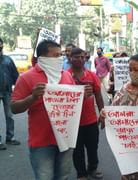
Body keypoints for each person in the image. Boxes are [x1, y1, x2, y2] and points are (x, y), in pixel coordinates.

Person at [11, 40, 92, 180]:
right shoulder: (26, 77)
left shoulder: (66, 75)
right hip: (42, 141)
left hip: (66, 138)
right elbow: (14, 108)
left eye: (60, 55)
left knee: (63, 176)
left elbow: (72, 103)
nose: (60, 58)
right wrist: (32, 97)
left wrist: (83, 96)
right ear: (42, 58)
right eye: (55, 55)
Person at [68, 48, 104, 180]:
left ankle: (93, 168)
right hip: (73, 122)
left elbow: (99, 96)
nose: (80, 59)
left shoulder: (91, 76)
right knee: (77, 150)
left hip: (91, 121)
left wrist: (102, 113)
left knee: (93, 146)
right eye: (76, 57)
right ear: (70, 58)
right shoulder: (65, 76)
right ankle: (81, 173)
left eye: (83, 57)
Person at [0, 37, 20, 150]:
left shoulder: (8, 60)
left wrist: (17, 89)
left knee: (9, 115)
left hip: (7, 91)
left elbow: (15, 75)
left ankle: (10, 138)